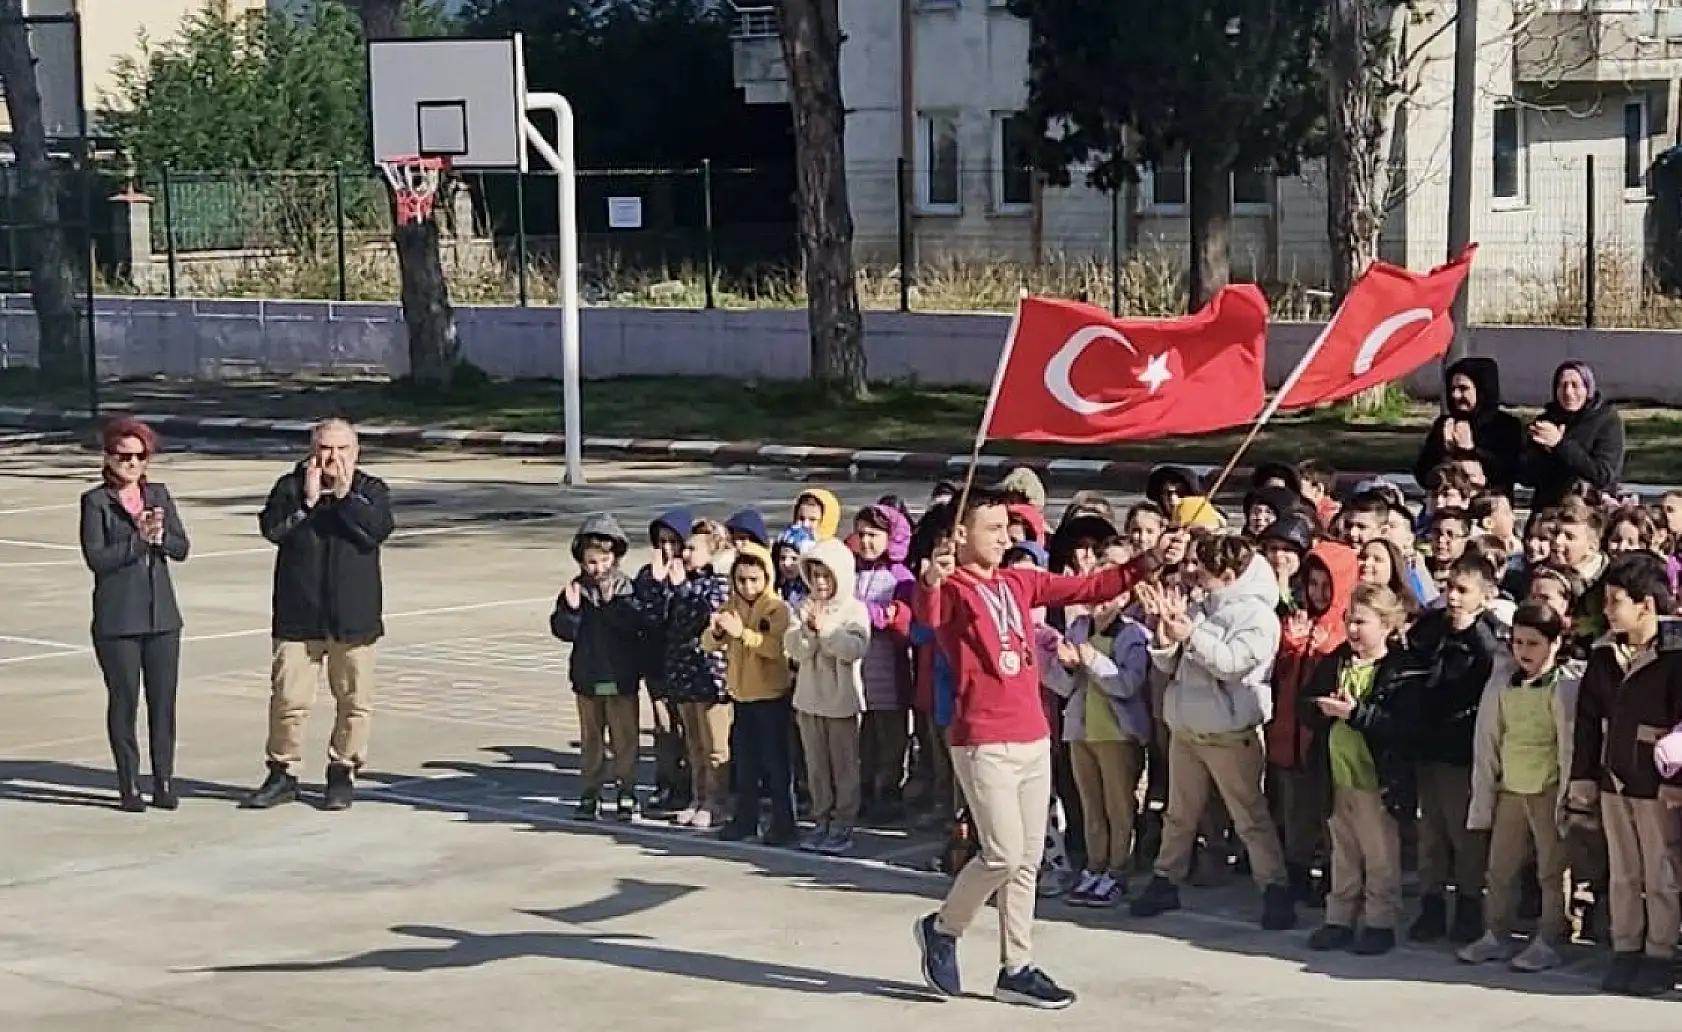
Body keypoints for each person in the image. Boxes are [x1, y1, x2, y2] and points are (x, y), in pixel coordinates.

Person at [912, 487, 1186, 1010]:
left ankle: (1016, 965)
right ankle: (943, 927)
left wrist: (1148, 560)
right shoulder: (951, 588)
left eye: (1006, 527)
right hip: (983, 738)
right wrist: (930, 576)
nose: (1004, 537)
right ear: (960, 534)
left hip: (1032, 733)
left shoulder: (1019, 580)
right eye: (992, 528)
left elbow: (1091, 583)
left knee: (1027, 860)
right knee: (1001, 852)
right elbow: (927, 615)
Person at [1129, 535, 1297, 932]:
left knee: (1250, 817)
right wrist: (1165, 636)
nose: (1194, 576)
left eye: (1201, 570)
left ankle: (1275, 888)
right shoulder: (1201, 606)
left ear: (1227, 574)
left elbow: (1234, 664)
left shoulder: (1259, 617)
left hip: (1229, 732)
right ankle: (1165, 879)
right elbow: (1173, 667)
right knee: (1178, 814)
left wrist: (1190, 635)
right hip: (1188, 727)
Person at [244, 418, 394, 812]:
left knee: (355, 701)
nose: (332, 457)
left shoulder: (370, 490)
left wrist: (344, 497)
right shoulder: (290, 487)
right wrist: (306, 502)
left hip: (353, 616)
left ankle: (343, 771)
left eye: (341, 449)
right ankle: (282, 772)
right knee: (288, 700)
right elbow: (272, 529)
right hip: (298, 615)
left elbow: (377, 530)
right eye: (325, 448)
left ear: (355, 452)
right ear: (313, 449)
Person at [1570, 553, 1682, 996]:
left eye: (1616, 601)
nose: (1607, 610)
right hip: (1613, 778)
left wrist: (1677, 781)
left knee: (1661, 873)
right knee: (1622, 872)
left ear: (1646, 606)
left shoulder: (1675, 655)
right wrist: (1583, 775)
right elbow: (1586, 719)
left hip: (1657, 785)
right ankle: (1626, 946)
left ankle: (1660, 950)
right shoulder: (1603, 653)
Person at [1302, 584, 1425, 955]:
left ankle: (1379, 920)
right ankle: (1339, 916)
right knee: (1343, 851)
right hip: (1339, 777)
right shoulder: (1337, 661)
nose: (1352, 629)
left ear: (1386, 625)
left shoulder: (1400, 670)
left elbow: (1401, 726)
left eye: (1361, 622)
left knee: (1380, 855)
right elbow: (1306, 703)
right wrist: (1319, 708)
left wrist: (1355, 714)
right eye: (1348, 621)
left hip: (1376, 780)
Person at [78, 417, 191, 812]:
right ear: (108, 458)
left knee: (163, 703)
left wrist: (160, 538)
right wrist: (137, 541)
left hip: (162, 618)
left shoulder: (159, 494)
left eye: (139, 456)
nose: (131, 463)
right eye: (123, 456)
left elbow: (181, 547)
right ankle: (128, 783)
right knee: (124, 701)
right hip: (118, 620)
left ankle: (163, 780)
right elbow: (98, 559)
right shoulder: (96, 502)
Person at [1459, 602, 1578, 973]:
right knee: (1500, 867)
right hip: (1510, 787)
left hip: (1546, 789)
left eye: (1534, 643)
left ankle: (1549, 937)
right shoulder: (1503, 684)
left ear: (1555, 644)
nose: (1524, 651)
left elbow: (1568, 745)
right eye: (1518, 642)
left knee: (1551, 870)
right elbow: (1491, 738)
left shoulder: (1563, 687)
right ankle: (1496, 933)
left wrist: (1566, 797)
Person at [1041, 549, 1153, 908]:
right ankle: (1095, 865)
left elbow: (1128, 685)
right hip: (1081, 728)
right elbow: (1063, 684)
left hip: (1116, 733)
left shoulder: (1133, 635)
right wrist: (1068, 666)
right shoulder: (1077, 628)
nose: (1099, 604)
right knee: (1091, 805)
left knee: (1119, 806)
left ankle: (1118, 870)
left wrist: (1090, 659)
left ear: (1124, 596)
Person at [1405, 554, 1504, 943]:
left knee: (1465, 836)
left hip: (1462, 750)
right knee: (1430, 833)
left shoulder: (1488, 635)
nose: (1454, 598)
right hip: (1428, 744)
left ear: (1485, 596)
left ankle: (1468, 905)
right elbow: (1414, 660)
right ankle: (1431, 906)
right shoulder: (1433, 628)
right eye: (1449, 589)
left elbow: (1495, 667)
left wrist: (1472, 630)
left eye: (1463, 591)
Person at [1269, 539, 1358, 903]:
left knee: (1329, 814)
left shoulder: (1344, 629)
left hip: (1323, 742)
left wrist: (1318, 649)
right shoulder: (1299, 622)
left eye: (1327, 586)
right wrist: (1291, 648)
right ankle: (1297, 871)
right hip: (1289, 736)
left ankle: (1333, 877)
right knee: (1295, 811)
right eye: (1313, 584)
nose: (1319, 594)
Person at [550, 513, 643, 821]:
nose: (598, 568)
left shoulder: (626, 589)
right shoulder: (575, 591)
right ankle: (590, 790)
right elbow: (563, 630)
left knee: (624, 737)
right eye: (591, 562)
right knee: (592, 737)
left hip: (621, 676)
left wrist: (612, 604)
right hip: (589, 677)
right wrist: (573, 612)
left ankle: (626, 789)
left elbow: (636, 626)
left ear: (615, 558)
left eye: (604, 561)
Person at [703, 543, 797, 845]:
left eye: (754, 579)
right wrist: (718, 632)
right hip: (742, 697)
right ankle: (746, 819)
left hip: (771, 697)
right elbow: (707, 643)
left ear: (766, 578)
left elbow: (775, 648)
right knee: (745, 764)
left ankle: (784, 823)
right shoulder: (731, 606)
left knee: (776, 765)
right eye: (741, 580)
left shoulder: (777, 609)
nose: (747, 586)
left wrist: (742, 633)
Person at [786, 538, 871, 854]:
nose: (821, 583)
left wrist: (826, 630)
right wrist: (807, 630)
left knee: (844, 767)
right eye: (815, 575)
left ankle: (843, 823)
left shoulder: (854, 610)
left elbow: (855, 648)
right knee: (816, 766)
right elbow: (795, 650)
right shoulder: (805, 606)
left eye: (827, 576)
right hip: (809, 700)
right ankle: (821, 819)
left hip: (842, 702)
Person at [656, 522, 734, 830]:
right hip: (683, 671)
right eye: (685, 548)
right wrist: (666, 587)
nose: (685, 554)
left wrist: (680, 588)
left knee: (716, 745)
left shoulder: (720, 582)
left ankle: (717, 802)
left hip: (711, 674)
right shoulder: (685, 580)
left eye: (692, 549)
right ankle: (698, 797)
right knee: (695, 743)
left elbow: (707, 612)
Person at [1519, 360, 1626, 511]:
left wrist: (1560, 445)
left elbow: (1603, 475)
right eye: (1562, 385)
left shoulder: (1606, 420)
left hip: (1588, 510)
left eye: (1575, 385)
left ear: (1588, 388)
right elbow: (1526, 477)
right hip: (1548, 510)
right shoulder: (1546, 421)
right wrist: (1541, 452)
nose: (1568, 392)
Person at [1414, 357, 1525, 497]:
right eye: (1453, 389)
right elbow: (1422, 474)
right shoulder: (1444, 424)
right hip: (1447, 505)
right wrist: (1444, 450)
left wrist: (1470, 450)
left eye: (1463, 389)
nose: (1455, 395)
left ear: (1482, 390)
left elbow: (1509, 471)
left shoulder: (1505, 426)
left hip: (1489, 506)